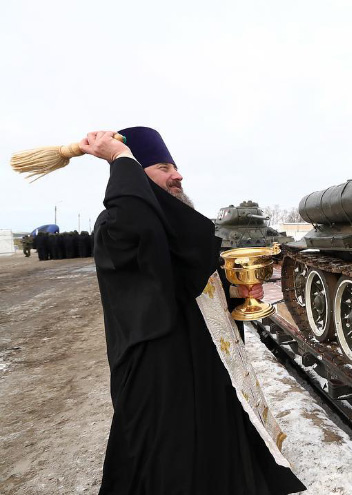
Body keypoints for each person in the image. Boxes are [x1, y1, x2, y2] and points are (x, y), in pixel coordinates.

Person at [81, 127, 305, 495]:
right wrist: (120, 159)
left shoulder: (173, 225)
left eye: (176, 167)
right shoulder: (117, 225)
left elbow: (189, 284)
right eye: (163, 168)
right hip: (163, 379)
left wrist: (235, 292)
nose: (178, 175)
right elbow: (140, 234)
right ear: (136, 178)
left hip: (207, 367)